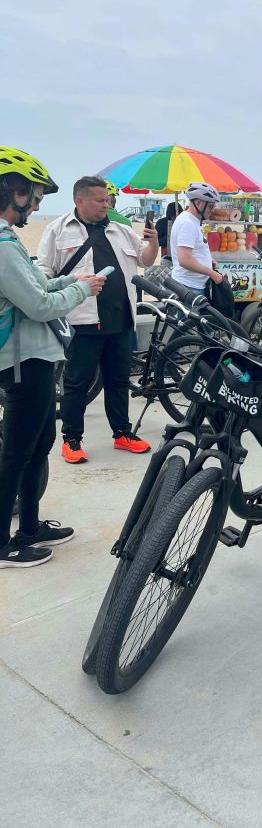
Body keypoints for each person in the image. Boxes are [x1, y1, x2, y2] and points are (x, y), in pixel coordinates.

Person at [0, 147, 105, 568]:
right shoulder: (2, 244)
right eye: (34, 197)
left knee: (39, 444)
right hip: (24, 363)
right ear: (12, 191)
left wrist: (69, 280)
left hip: (34, 359)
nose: (36, 206)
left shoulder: (9, 240)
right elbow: (40, 306)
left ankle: (29, 527)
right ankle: (4, 544)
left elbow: (37, 288)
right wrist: (82, 290)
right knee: (17, 452)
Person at [38, 175, 159, 463]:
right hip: (82, 322)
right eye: (100, 200)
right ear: (79, 200)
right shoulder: (57, 230)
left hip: (121, 320)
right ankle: (71, 439)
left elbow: (145, 260)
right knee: (77, 383)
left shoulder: (121, 230)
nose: (106, 204)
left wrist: (154, 243)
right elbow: (43, 273)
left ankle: (122, 433)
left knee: (118, 381)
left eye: (108, 200)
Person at [170, 183, 235, 318]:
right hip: (189, 287)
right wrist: (212, 273)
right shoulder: (187, 223)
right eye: (210, 206)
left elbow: (193, 250)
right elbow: (184, 260)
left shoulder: (191, 220)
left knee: (196, 327)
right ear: (199, 203)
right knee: (190, 328)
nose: (212, 210)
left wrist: (209, 260)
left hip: (192, 285)